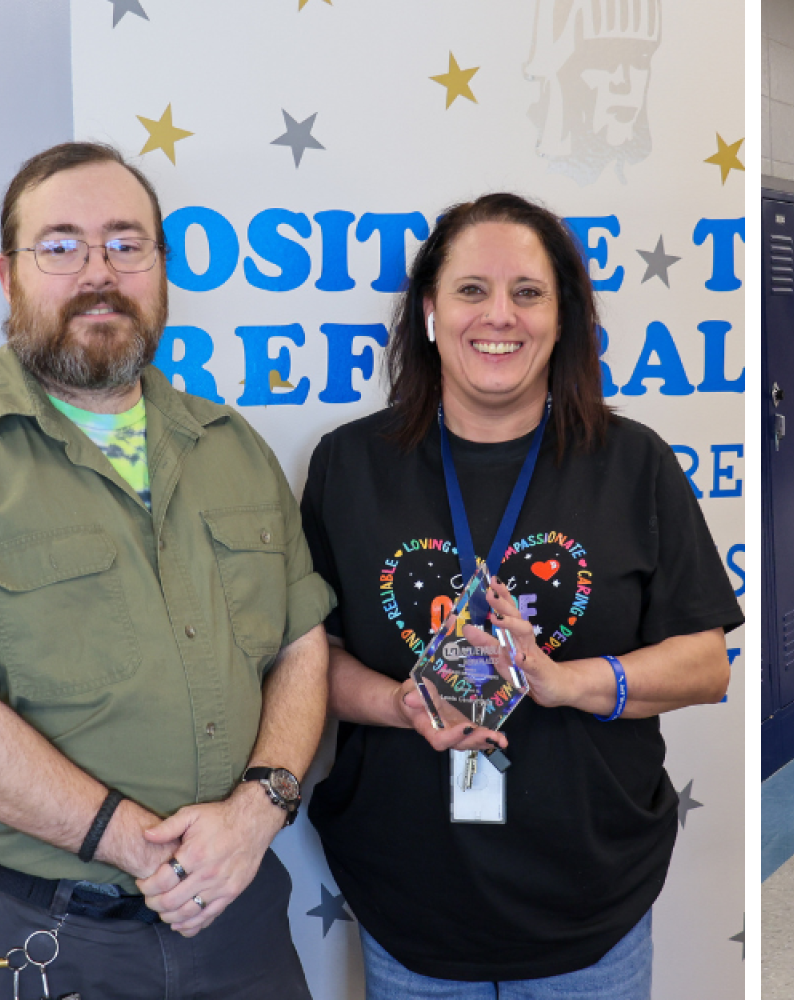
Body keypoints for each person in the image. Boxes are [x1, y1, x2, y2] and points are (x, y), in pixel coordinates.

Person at [0, 142, 333, 997]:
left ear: (162, 269)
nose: (98, 273)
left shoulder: (231, 447)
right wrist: (138, 845)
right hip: (32, 930)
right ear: (8, 276)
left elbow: (300, 644)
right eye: (61, 246)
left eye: (125, 244)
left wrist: (259, 811)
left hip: (238, 909)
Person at [300, 192, 742, 996]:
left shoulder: (633, 461)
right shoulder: (348, 466)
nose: (498, 315)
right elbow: (310, 662)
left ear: (562, 316)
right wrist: (403, 702)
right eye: (472, 290)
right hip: (411, 903)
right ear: (431, 309)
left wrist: (567, 682)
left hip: (589, 906)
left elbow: (707, 664)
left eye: (527, 293)